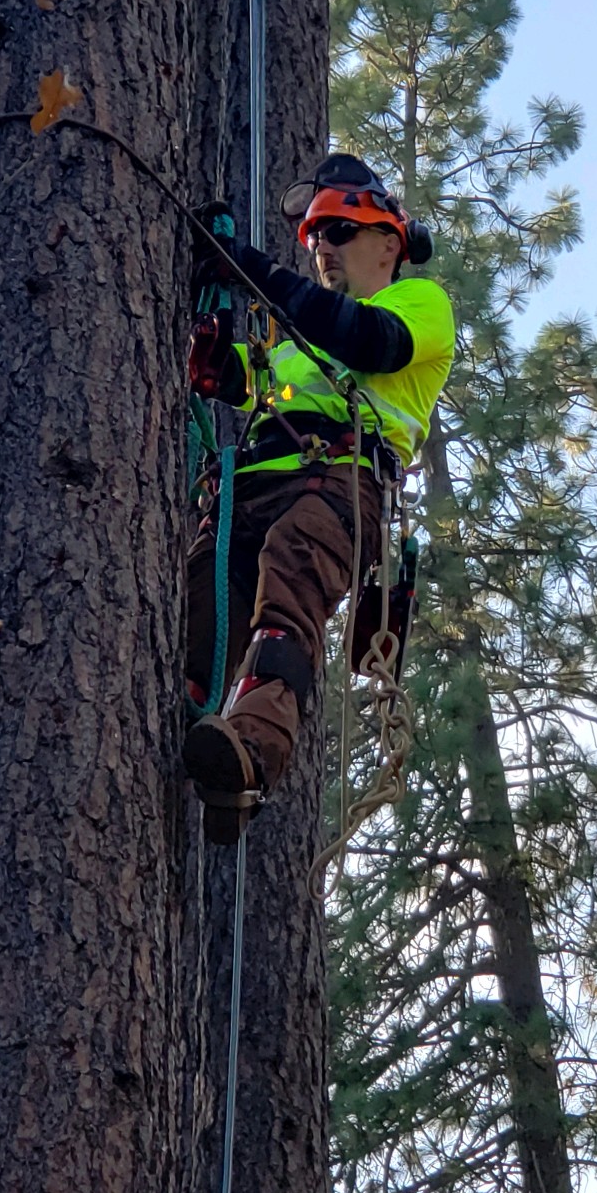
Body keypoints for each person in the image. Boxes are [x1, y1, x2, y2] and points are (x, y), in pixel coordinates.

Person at [184, 153, 454, 842]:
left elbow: (368, 342)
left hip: (338, 482)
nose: (321, 249)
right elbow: (257, 382)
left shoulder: (416, 306)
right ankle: (187, 720)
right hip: (249, 484)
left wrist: (254, 271)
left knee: (292, 577)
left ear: (388, 241)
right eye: (312, 239)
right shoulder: (296, 337)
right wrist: (218, 356)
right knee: (203, 602)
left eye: (337, 232)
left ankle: (252, 753)